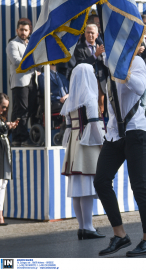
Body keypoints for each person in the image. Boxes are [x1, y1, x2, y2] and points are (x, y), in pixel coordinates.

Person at [93, 56, 146, 256]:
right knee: (101, 181)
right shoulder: (107, 64)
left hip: (136, 130)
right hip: (115, 133)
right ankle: (120, 235)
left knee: (139, 186)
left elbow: (139, 88)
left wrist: (120, 68)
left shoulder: (135, 61)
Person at [60, 64, 106, 240]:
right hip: (88, 145)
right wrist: (103, 144)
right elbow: (94, 125)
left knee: (77, 189)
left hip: (74, 144)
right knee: (86, 187)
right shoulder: (90, 98)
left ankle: (82, 227)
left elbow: (69, 128)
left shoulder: (71, 100)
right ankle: (88, 227)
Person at [6, 19, 34, 147]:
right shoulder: (12, 44)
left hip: (31, 80)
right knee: (21, 110)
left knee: (23, 110)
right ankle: (22, 138)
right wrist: (34, 62)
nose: (23, 32)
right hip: (20, 82)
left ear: (30, 31)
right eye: (21, 30)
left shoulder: (30, 43)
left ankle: (17, 137)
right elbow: (17, 62)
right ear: (17, 30)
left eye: (26, 30)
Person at [0, 93, 18, 226]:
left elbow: (3, 130)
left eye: (6, 107)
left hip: (4, 152)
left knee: (3, 183)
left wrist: (9, 127)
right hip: (0, 152)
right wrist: (8, 126)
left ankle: (0, 214)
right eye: (3, 107)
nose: (5, 109)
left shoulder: (1, 118)